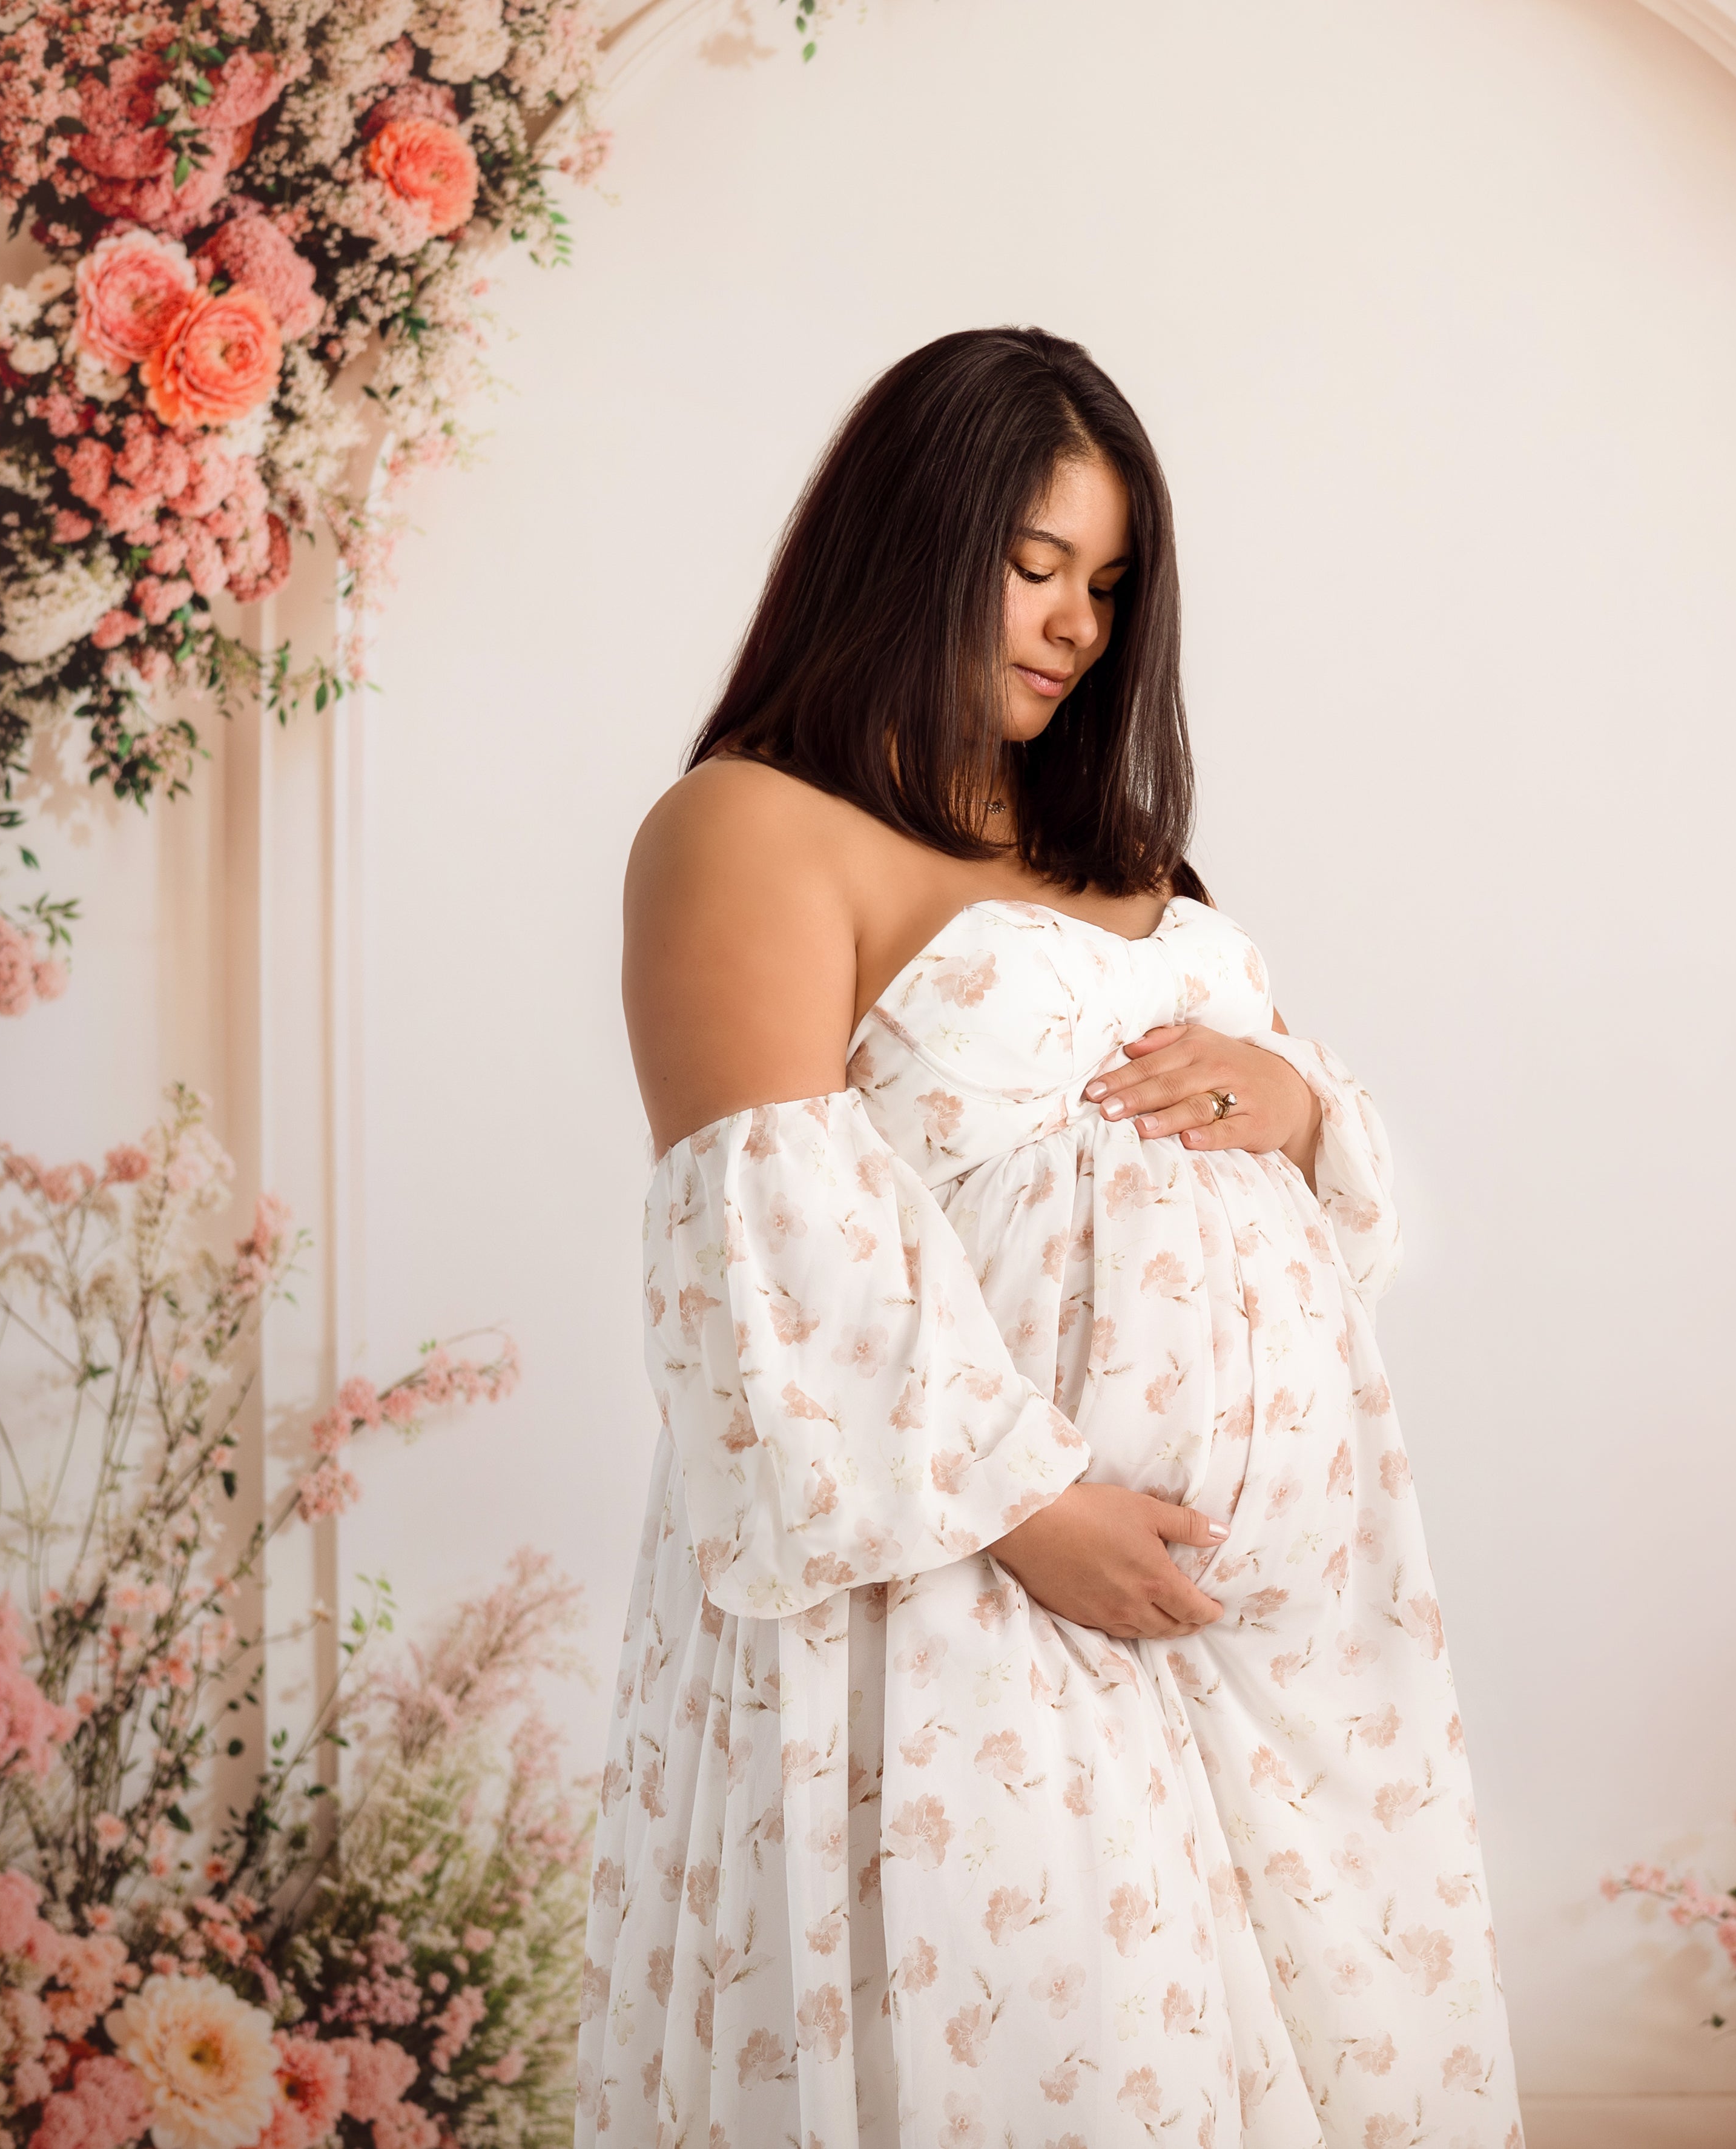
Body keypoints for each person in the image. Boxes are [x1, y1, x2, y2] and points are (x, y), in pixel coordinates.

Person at [576, 326, 1520, 2147]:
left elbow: (1301, 1208)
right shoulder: (751, 830)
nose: (1074, 623)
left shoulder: (1123, 852)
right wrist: (1030, 1514)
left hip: (1277, 1640)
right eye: (1030, 567)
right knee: (1054, 2073)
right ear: (905, 542)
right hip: (954, 1583)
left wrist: (1304, 1106)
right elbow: (760, 1240)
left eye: (1106, 583)